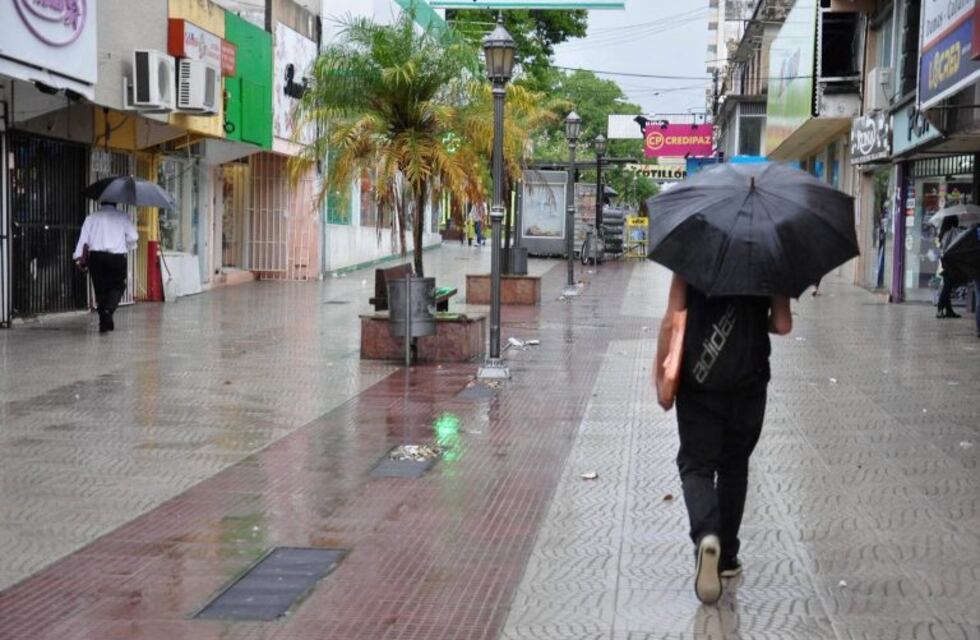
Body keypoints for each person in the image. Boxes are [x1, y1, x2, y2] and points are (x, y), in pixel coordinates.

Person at [656, 274, 792, 605]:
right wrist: (760, 321)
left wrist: (660, 375)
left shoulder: (693, 256)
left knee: (696, 464)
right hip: (750, 379)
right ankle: (727, 557)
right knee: (735, 466)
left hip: (700, 378)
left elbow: (672, 318)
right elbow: (783, 324)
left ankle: (706, 535)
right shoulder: (769, 257)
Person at [73, 201, 138, 333]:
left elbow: (83, 239)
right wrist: (126, 244)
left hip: (96, 258)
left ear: (101, 203)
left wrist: (78, 258)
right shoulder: (122, 217)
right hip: (117, 257)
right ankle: (108, 311)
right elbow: (134, 236)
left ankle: (104, 323)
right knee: (118, 286)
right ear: (115, 203)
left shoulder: (91, 218)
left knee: (100, 290)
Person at [937, 215, 961, 319]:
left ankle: (949, 310)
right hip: (950, 263)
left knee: (947, 286)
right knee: (947, 288)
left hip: (945, 262)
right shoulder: (951, 233)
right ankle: (940, 309)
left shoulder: (943, 233)